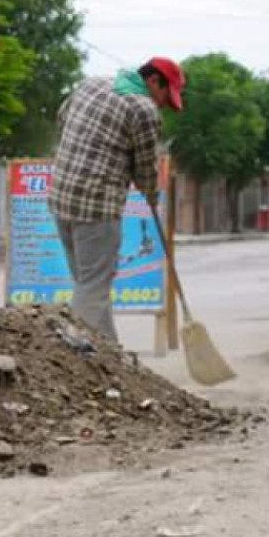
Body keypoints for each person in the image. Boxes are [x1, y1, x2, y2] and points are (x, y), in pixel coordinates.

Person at [47, 56, 185, 341]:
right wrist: (150, 193)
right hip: (96, 206)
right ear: (153, 81)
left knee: (88, 283)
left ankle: (109, 352)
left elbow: (61, 119)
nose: (163, 104)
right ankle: (77, 349)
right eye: (165, 96)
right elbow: (145, 167)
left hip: (61, 197)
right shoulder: (143, 109)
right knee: (94, 285)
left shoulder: (91, 84)